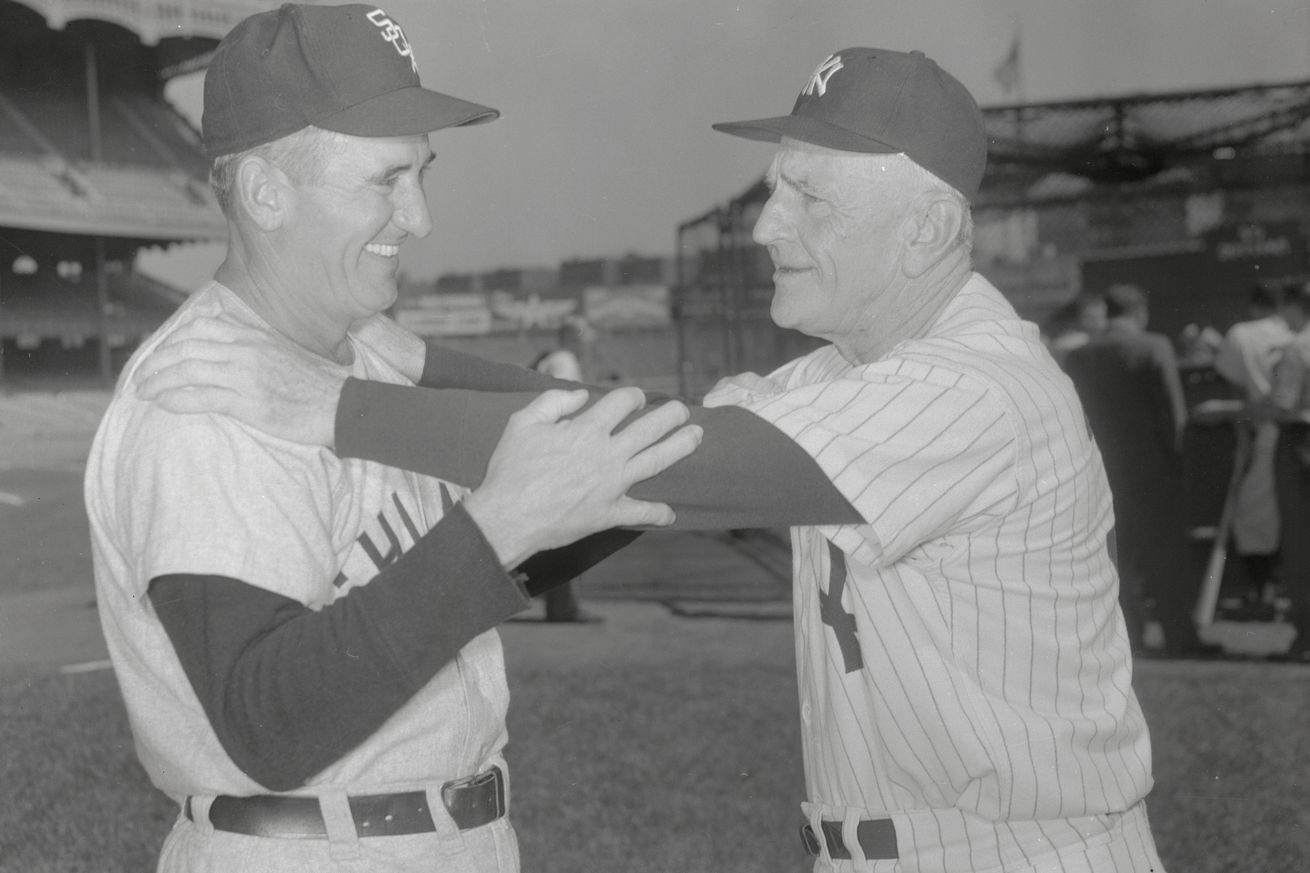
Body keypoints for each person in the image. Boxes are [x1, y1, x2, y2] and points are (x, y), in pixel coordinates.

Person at [138, 47, 1169, 871]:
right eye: (774, 190)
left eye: (809, 196)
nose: (766, 226)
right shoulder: (836, 377)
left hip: (1023, 855)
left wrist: (334, 405)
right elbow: (639, 426)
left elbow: (662, 470)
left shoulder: (980, 386)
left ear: (928, 229)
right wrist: (417, 363)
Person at [83, 6, 703, 873]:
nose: (418, 218)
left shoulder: (372, 351)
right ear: (266, 191)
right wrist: (497, 529)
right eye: (384, 179)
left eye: (423, 175)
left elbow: (632, 454)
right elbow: (267, 720)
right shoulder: (205, 391)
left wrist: (422, 364)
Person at [1063, 284, 1215, 658]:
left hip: (1101, 473)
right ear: (1139, 312)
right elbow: (1173, 413)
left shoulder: (1079, 355)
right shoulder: (1155, 346)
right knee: (1166, 558)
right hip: (1153, 472)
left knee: (1116, 562)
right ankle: (1179, 637)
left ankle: (1126, 639)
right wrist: (1179, 462)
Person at [1211, 282, 1292, 610]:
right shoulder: (1297, 330)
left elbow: (1233, 387)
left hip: (1265, 429)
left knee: (1253, 515)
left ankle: (1266, 589)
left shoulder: (1242, 333)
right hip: (1295, 425)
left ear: (1254, 304)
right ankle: (1277, 589)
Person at [533, 317, 603, 622]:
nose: (589, 344)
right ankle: (563, 605)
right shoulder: (564, 361)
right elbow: (566, 404)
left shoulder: (552, 358)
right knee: (569, 530)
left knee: (558, 530)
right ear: (575, 338)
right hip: (559, 454)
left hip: (546, 452)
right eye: (586, 338)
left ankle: (560, 603)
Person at [1266, 281, 1310, 661]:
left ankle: (1306, 636)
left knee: (1300, 545)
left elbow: (1282, 405)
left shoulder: (1297, 348)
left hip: (1301, 443)